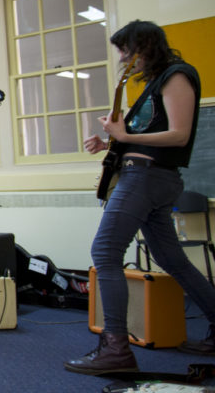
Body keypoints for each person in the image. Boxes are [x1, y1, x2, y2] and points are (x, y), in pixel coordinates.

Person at [66, 20, 215, 373]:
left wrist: (122, 133)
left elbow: (178, 135)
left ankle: (115, 348)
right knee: (172, 259)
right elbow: (150, 134)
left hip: (146, 179)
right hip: (146, 177)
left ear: (143, 46)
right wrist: (112, 141)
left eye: (125, 50)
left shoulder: (176, 76)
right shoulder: (154, 84)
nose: (123, 58)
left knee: (104, 251)